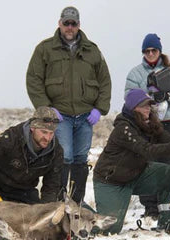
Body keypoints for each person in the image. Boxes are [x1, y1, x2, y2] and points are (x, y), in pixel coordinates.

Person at [26, 6, 111, 204]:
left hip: (85, 117)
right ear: (60, 24)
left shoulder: (92, 50)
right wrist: (47, 109)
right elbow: (33, 80)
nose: (70, 27)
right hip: (60, 117)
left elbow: (105, 81)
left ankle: (76, 202)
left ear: (79, 25)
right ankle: (59, 201)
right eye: (66, 23)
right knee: (64, 157)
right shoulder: (45, 49)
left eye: (73, 24)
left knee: (81, 158)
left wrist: (99, 109)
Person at [93, 89, 170, 235]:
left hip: (137, 174)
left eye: (150, 105)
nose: (148, 108)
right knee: (109, 229)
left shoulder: (149, 123)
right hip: (111, 181)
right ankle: (79, 211)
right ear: (134, 108)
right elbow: (147, 150)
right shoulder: (124, 128)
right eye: (144, 105)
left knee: (169, 174)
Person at [124, 33, 170, 219]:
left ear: (159, 51)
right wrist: (148, 97)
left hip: (169, 123)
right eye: (147, 50)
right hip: (146, 123)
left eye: (154, 50)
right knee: (147, 164)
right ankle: (151, 208)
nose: (150, 53)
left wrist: (167, 96)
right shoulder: (135, 73)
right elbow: (129, 96)